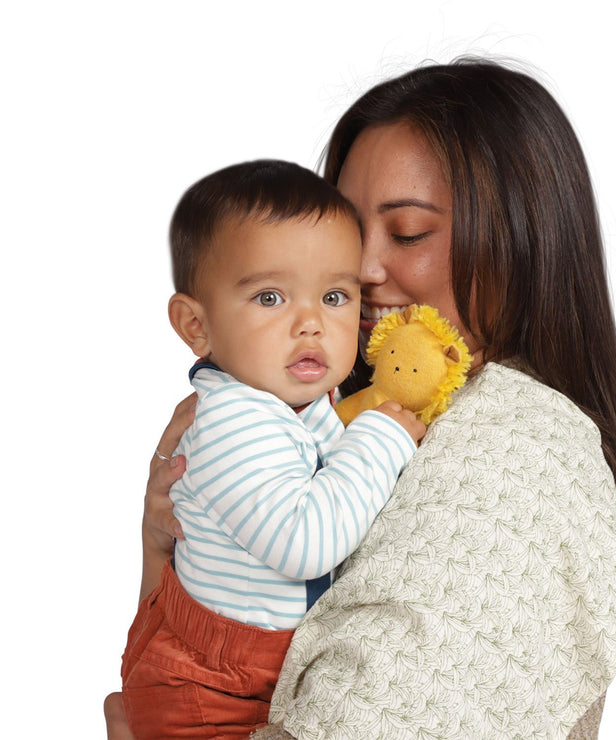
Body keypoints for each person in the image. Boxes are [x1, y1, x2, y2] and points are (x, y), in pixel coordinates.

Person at [106, 58, 616, 740]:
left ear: (522, 246)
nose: (359, 271)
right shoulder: (321, 414)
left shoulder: (510, 450)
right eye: (344, 234)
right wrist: (166, 555)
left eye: (407, 233)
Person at [118, 160, 425, 740]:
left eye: (334, 295)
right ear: (196, 326)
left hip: (257, 667)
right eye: (269, 297)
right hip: (211, 688)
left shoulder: (299, 401)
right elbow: (306, 543)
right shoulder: (232, 419)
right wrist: (382, 438)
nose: (311, 323)